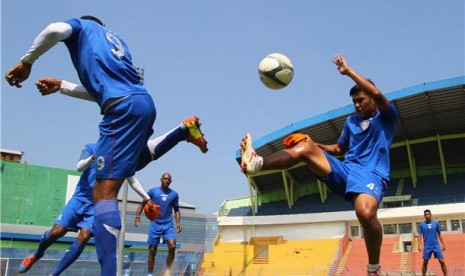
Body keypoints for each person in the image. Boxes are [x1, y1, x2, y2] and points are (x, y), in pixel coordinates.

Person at [5, 16, 207, 275]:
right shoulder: (118, 45)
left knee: (104, 194)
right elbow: (102, 90)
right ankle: (181, 132)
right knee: (132, 162)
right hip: (142, 104)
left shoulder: (83, 26)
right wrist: (63, 86)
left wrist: (27, 62)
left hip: (121, 109)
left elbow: (55, 29)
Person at [240, 53, 398, 276]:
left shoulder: (386, 117)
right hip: (346, 170)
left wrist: (348, 71)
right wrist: (315, 144)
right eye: (354, 102)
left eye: (360, 100)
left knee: (364, 213)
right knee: (304, 147)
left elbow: (378, 93)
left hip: (371, 174)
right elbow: (339, 150)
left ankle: (374, 267)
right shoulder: (351, 122)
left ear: (371, 99)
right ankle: (258, 162)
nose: (356, 105)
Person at [18, 143, 151, 275]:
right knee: (57, 232)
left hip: (98, 205)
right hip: (79, 199)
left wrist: (147, 198)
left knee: (84, 236)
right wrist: (92, 157)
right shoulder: (91, 148)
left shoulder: (120, 156)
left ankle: (54, 273)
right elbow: (79, 167)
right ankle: (37, 254)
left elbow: (132, 179)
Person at [134, 173, 181, 276]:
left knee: (172, 246)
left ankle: (168, 271)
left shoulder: (174, 194)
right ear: (161, 180)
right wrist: (138, 216)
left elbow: (177, 210)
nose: (166, 180)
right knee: (152, 249)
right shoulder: (152, 191)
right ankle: (150, 274)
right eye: (164, 179)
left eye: (168, 179)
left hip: (168, 224)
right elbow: (142, 204)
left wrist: (178, 222)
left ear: (170, 181)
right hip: (155, 223)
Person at [418, 209, 448, 276]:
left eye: (428, 214)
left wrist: (443, 244)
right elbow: (420, 235)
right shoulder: (422, 225)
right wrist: (419, 245)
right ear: (424, 216)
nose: (427, 215)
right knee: (425, 262)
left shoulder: (436, 223)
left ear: (431, 215)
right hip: (427, 246)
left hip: (436, 245)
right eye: (426, 215)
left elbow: (439, 234)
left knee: (442, 261)